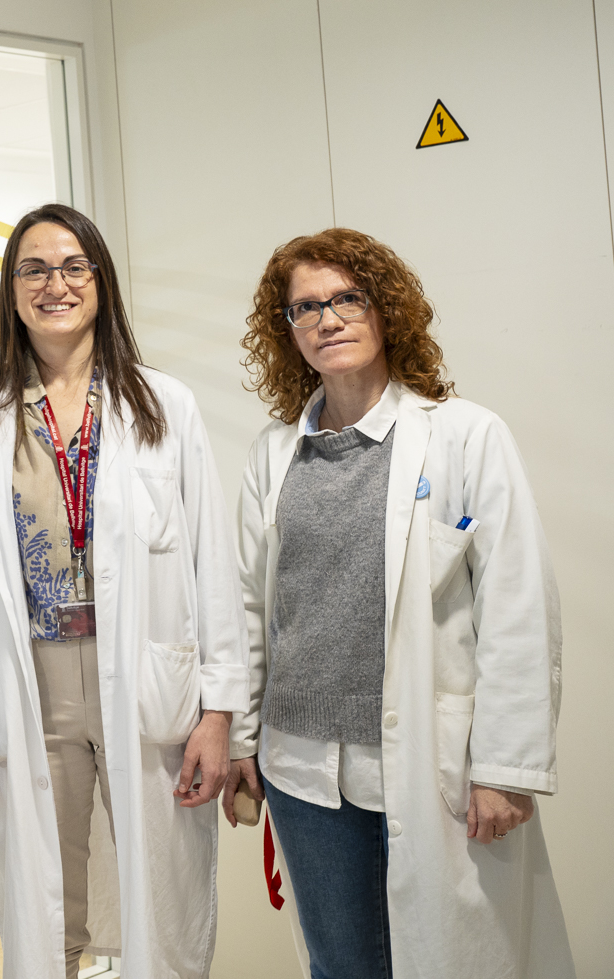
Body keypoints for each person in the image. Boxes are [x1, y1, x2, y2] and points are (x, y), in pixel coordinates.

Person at [219, 229, 572, 978]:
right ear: (287, 330)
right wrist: (241, 740)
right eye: (306, 307)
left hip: (426, 760)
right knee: (342, 966)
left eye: (348, 298)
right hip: (302, 769)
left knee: (452, 960)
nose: (328, 319)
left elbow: (517, 608)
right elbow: (250, 606)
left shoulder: (465, 435)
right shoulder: (274, 453)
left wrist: (505, 766)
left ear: (386, 310)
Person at [0, 203, 245, 979]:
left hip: (144, 675)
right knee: (46, 901)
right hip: (30, 681)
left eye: (74, 267)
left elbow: (212, 561)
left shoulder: (163, 404)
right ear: (12, 290)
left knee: (161, 891)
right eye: (34, 269)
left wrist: (219, 713)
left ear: (101, 282)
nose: (56, 285)